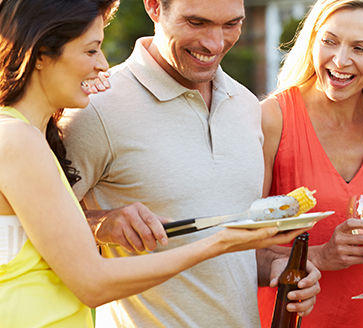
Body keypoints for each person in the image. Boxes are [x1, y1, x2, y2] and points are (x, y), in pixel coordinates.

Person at [0, 0, 312, 327]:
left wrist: (281, 262)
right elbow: (90, 278)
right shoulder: (71, 119)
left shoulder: (248, 107)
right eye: (91, 51)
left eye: (232, 24)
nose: (215, 43)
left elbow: (44, 236)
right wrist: (219, 241)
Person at [256, 0, 363, 327]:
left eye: (360, 48)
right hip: (279, 320)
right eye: (329, 41)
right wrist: (322, 255)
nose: (341, 61)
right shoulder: (271, 119)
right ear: (312, 39)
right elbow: (237, 250)